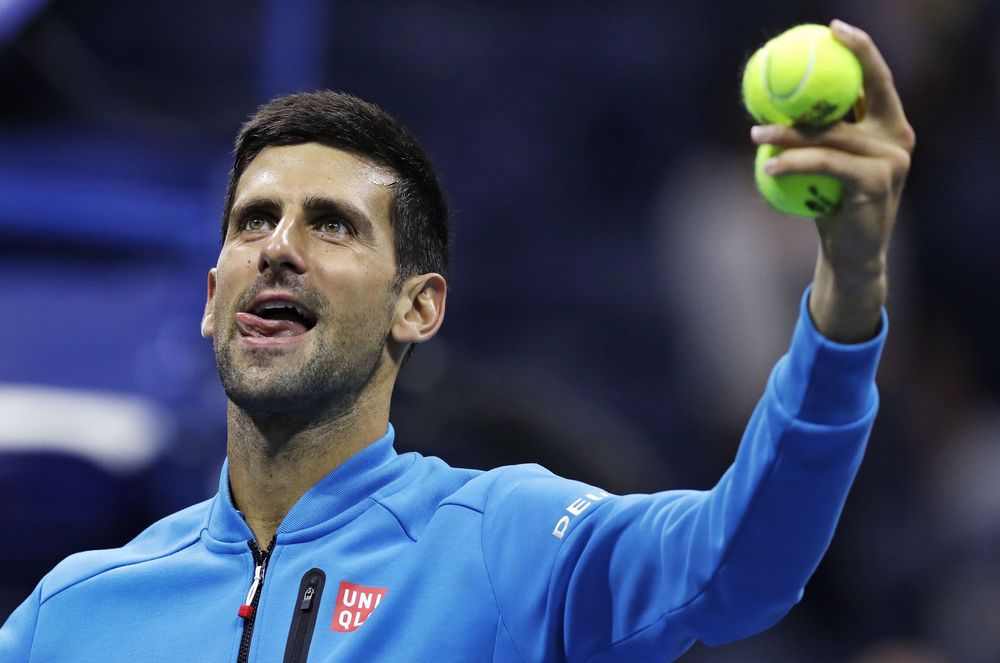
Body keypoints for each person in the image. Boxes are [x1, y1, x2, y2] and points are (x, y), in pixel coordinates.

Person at [0, 19, 914, 662]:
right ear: (210, 300)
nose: (278, 246)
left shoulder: (507, 545)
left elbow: (740, 562)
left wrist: (850, 294)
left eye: (331, 225)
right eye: (253, 222)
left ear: (419, 308)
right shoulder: (71, 614)